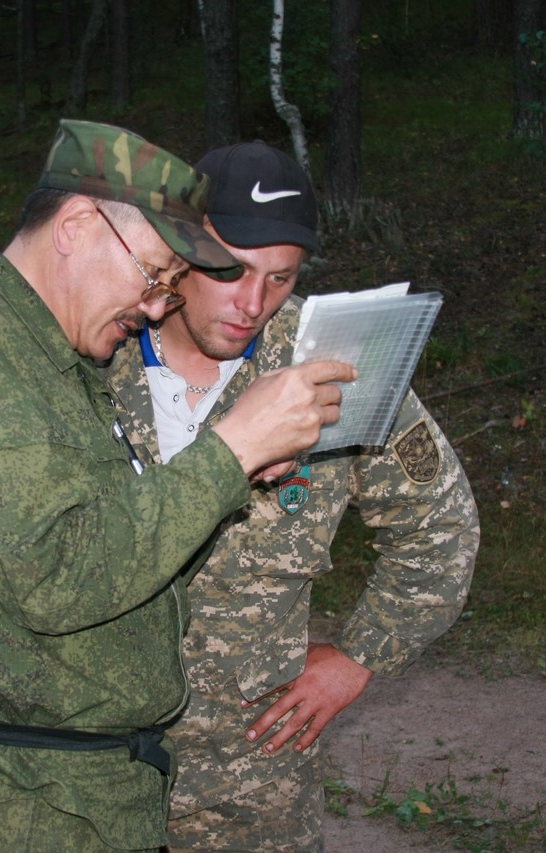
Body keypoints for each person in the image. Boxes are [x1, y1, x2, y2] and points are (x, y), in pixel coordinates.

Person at [0, 120, 357, 853]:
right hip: (28, 806)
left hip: (84, 797)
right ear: (77, 227)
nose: (158, 305)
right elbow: (60, 576)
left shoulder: (48, 358)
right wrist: (230, 450)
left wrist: (239, 469)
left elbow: (131, 567)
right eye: (155, 274)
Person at [103, 141, 480, 851]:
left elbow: (441, 524)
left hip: (250, 787)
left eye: (280, 277)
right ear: (180, 248)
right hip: (87, 773)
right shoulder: (98, 347)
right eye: (231, 270)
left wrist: (361, 656)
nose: (253, 304)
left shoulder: (332, 364)